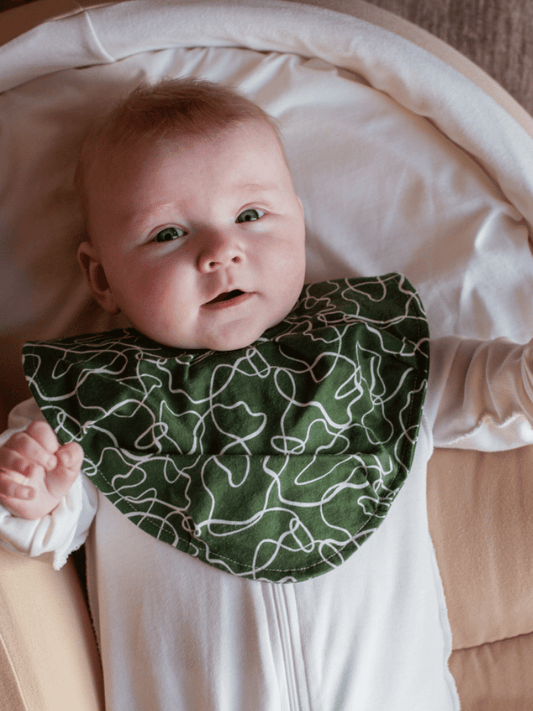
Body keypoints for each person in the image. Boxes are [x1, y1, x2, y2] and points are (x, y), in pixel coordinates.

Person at [0, 77, 532, 711]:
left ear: (300, 221)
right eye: (168, 233)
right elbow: (42, 537)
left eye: (250, 216)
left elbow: (497, 395)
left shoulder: (370, 352)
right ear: (101, 276)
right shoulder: (92, 399)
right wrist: (30, 494)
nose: (221, 251)